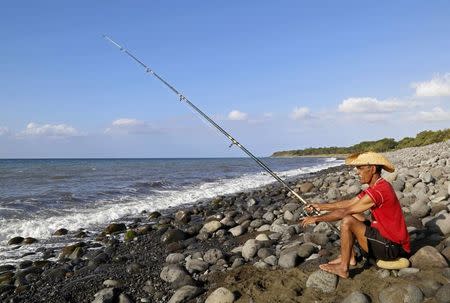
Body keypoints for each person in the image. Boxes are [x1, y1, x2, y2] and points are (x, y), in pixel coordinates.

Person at [300, 151, 410, 278]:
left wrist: (317, 218)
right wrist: (321, 206)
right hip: (386, 238)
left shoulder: (380, 190)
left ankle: (343, 269)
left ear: (373, 169)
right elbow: (350, 203)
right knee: (355, 217)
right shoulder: (376, 186)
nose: (357, 172)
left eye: (361, 168)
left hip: (391, 248)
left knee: (347, 220)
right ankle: (350, 257)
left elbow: (346, 211)